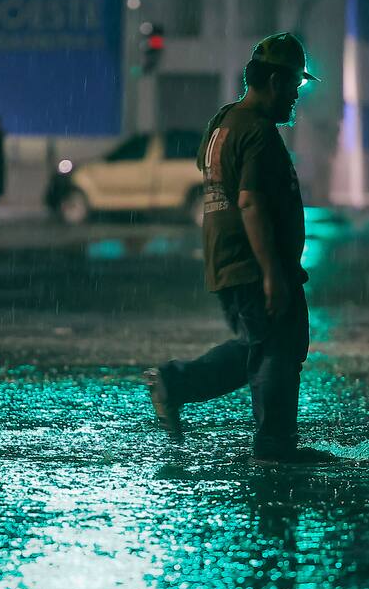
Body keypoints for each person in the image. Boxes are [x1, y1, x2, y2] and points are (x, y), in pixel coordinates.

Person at [144, 33, 336, 464]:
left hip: (229, 258)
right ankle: (272, 444)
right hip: (252, 261)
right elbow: (248, 201)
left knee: (262, 345)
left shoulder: (224, 122)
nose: (294, 98)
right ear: (271, 81)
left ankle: (178, 385)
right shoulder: (257, 131)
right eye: (291, 86)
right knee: (277, 347)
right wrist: (271, 272)